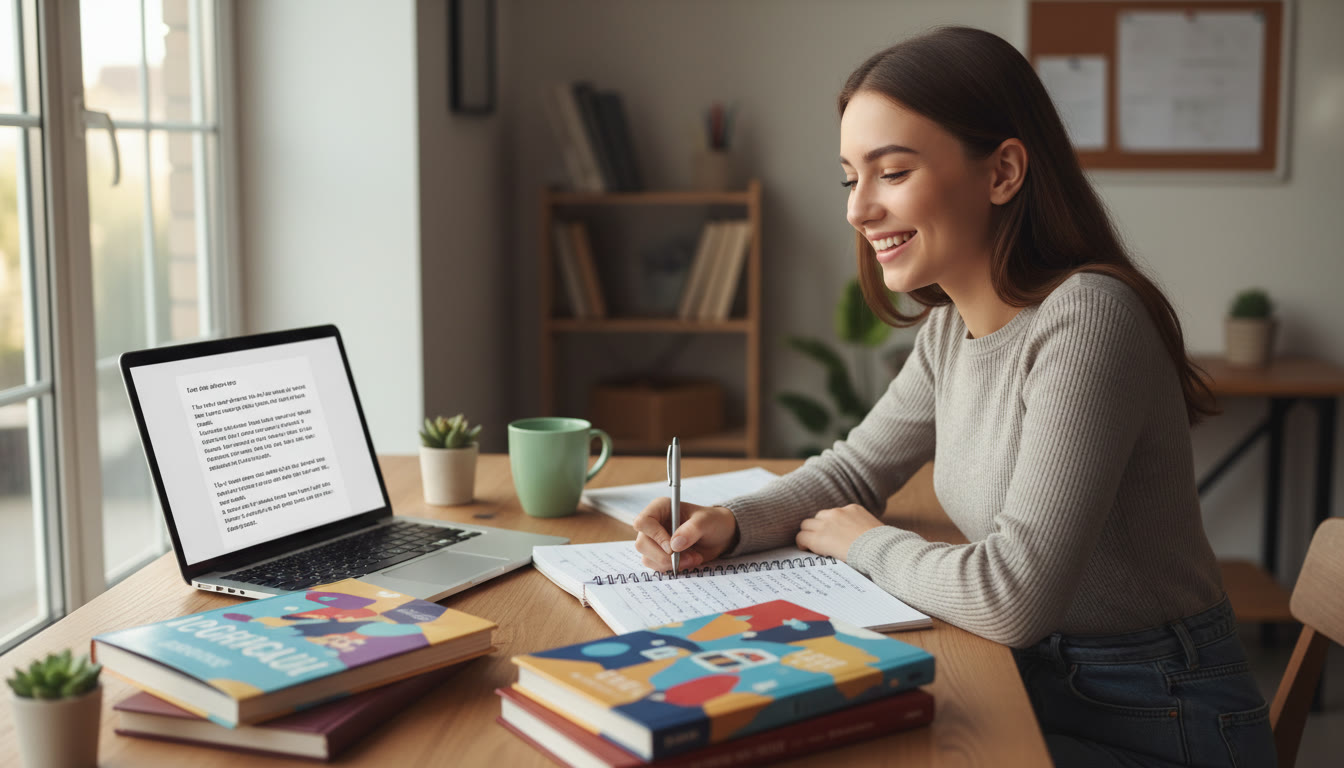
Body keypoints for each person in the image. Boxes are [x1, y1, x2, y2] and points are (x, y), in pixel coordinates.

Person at [632, 26, 1277, 768]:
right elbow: (852, 474)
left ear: (1002, 172)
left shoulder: (1090, 317)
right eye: (851, 178)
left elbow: (1013, 594)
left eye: (892, 172)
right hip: (1038, 674)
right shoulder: (951, 332)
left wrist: (866, 544)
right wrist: (728, 523)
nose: (858, 210)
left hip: (1159, 711)